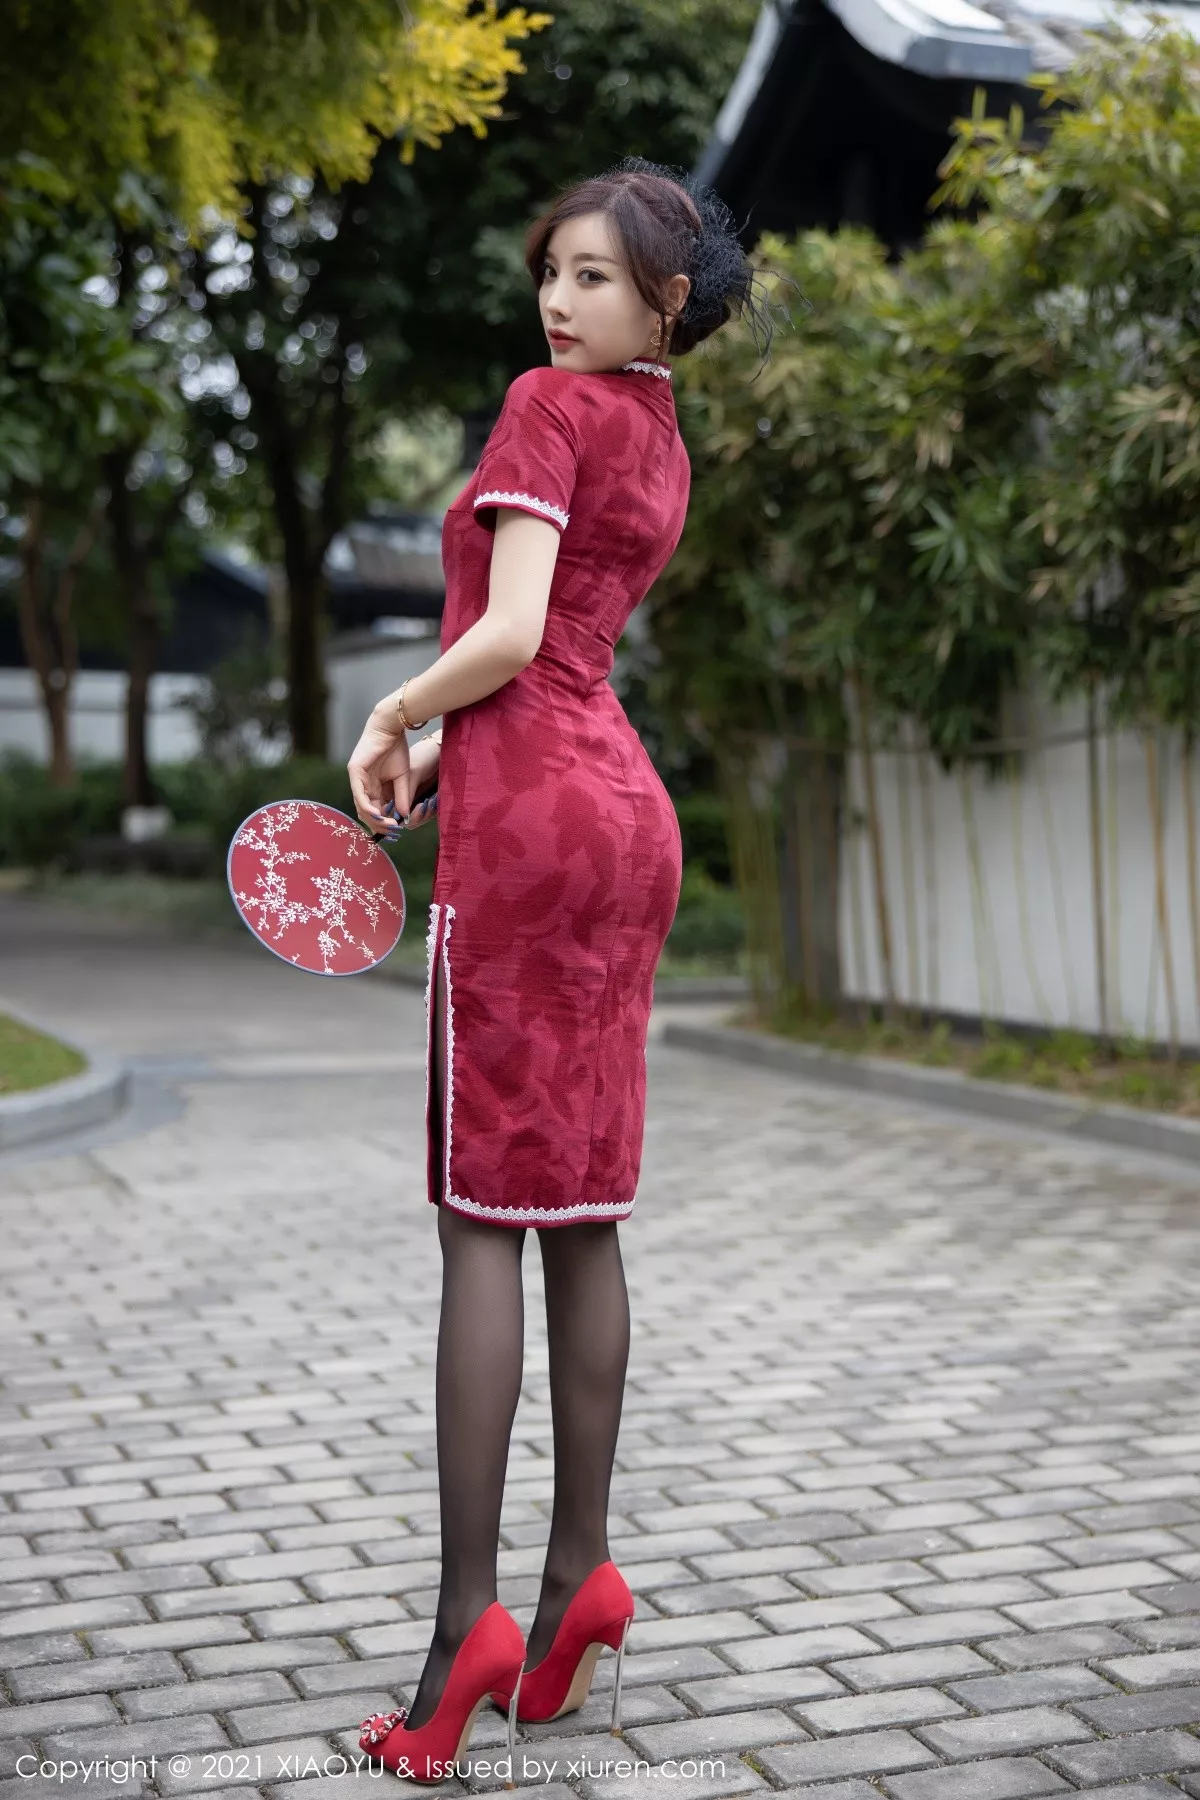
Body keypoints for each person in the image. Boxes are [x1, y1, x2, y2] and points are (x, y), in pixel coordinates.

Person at [346, 155, 778, 1785]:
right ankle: (577, 1577)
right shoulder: (660, 436)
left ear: (667, 301)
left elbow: (514, 636)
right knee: (580, 1210)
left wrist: (396, 713)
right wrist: (441, 753)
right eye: (552, 270)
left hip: (535, 833)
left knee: (483, 1218)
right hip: (621, 820)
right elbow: (561, 652)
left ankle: (465, 1632)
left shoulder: (547, 408)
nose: (556, 299)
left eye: (593, 276)